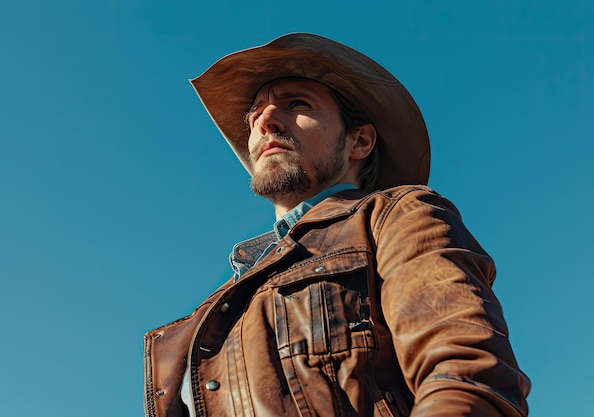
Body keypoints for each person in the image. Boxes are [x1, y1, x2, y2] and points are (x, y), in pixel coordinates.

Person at [143, 33, 530, 417]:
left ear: (359, 141)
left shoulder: (394, 215)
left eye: (296, 104)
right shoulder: (209, 313)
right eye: (255, 114)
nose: (265, 121)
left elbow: (467, 376)